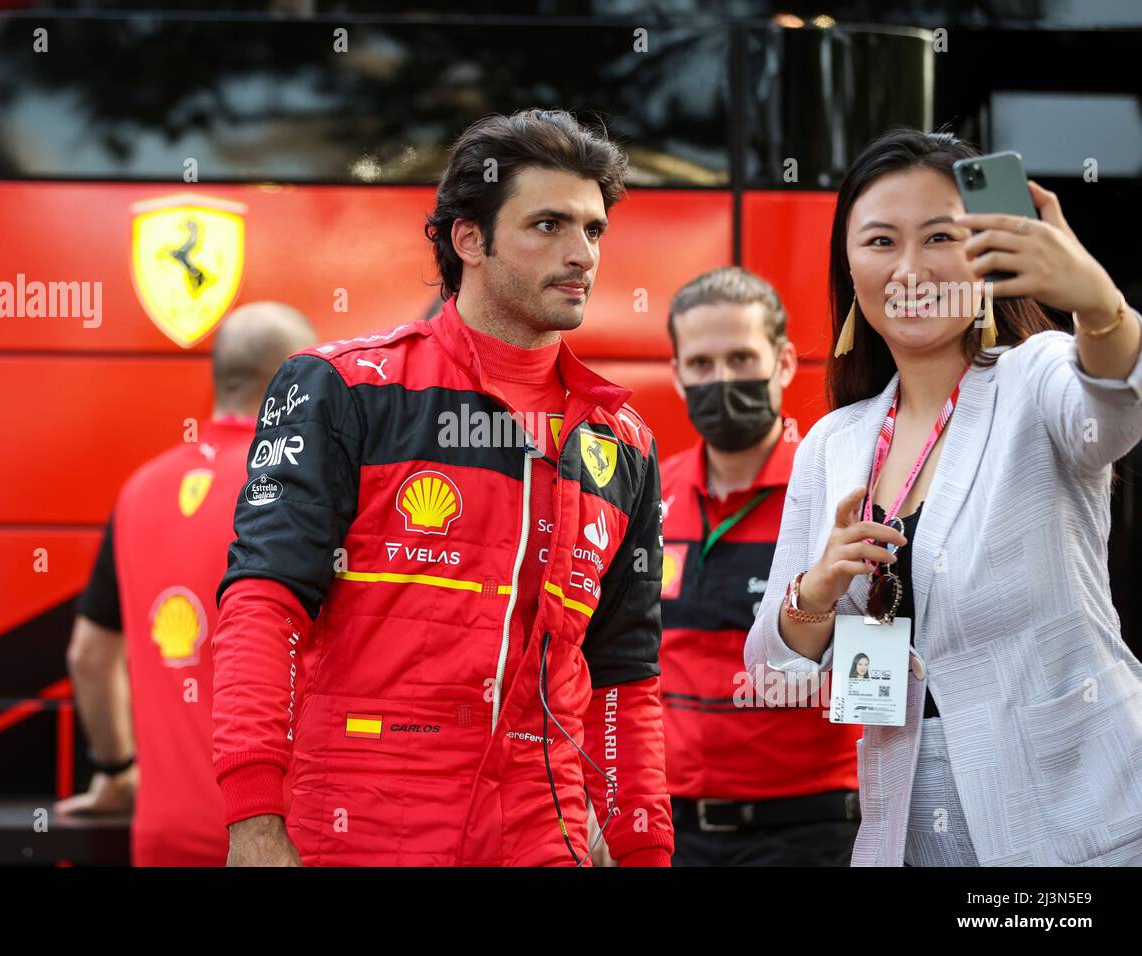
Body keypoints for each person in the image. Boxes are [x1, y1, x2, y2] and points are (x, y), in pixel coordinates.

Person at [212, 109, 674, 867]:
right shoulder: (344, 389)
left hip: (541, 831)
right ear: (470, 240)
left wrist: (644, 847)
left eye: (593, 230)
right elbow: (264, 605)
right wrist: (253, 819)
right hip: (361, 824)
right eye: (549, 225)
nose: (580, 254)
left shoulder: (621, 441)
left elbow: (626, 676)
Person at [745, 128, 1142, 866]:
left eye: (939, 237)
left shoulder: (1036, 374)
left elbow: (1117, 409)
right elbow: (774, 670)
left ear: (984, 254)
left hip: (1078, 801)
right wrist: (818, 590)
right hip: (908, 808)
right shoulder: (834, 441)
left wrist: (1098, 301)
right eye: (880, 242)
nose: (911, 268)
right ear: (850, 267)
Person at [59, 302, 317, 866]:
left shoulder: (140, 489)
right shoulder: (304, 487)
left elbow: (89, 656)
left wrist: (115, 772)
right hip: (276, 841)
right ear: (299, 379)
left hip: (165, 838)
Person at [658, 267, 862, 867]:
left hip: (812, 830)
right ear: (675, 374)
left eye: (742, 358)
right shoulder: (648, 496)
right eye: (701, 364)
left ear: (783, 363)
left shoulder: (834, 496)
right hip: (672, 831)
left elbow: (877, 664)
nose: (721, 380)